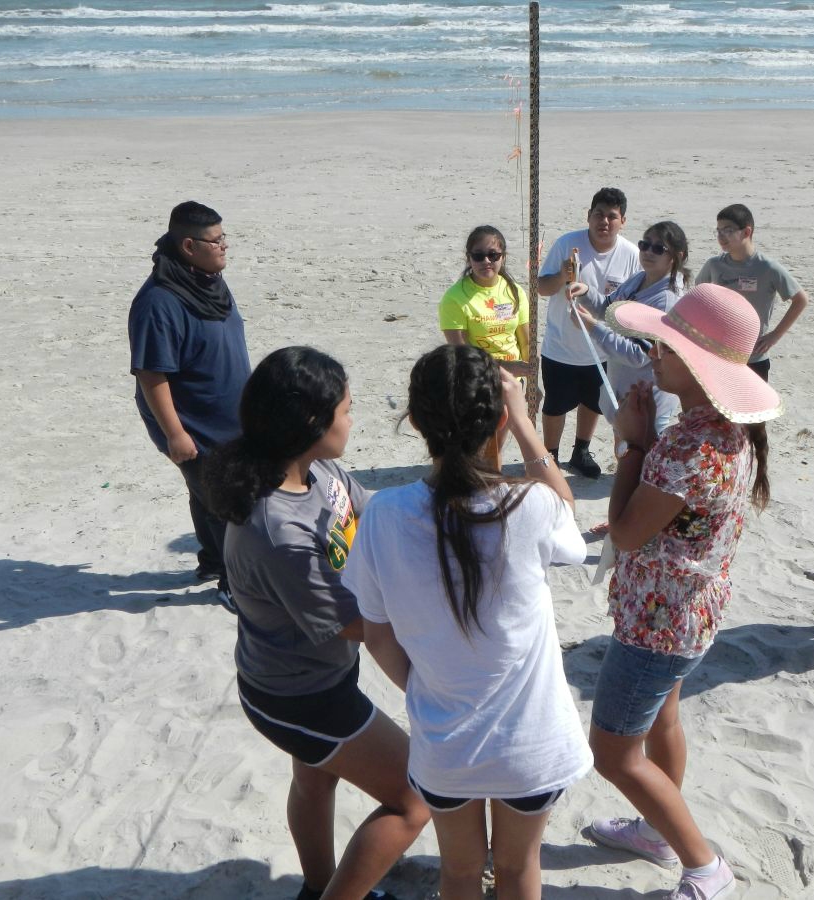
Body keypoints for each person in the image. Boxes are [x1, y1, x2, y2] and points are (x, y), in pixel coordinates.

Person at [344, 345, 592, 900]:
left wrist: (424, 685)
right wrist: (526, 425)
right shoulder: (530, 506)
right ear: (499, 418)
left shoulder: (383, 513)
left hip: (445, 742)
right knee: (518, 868)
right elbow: (568, 520)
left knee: (457, 872)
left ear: (415, 421)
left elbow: (377, 634)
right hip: (531, 743)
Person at [202, 347, 428, 900]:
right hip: (298, 696)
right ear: (311, 423)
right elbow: (356, 622)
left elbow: (367, 508)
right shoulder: (277, 529)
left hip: (309, 678)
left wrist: (440, 508)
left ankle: (318, 884)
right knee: (414, 799)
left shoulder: (316, 470)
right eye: (347, 409)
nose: (353, 418)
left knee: (315, 775)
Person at [585, 284, 782, 900]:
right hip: (689, 612)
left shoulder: (688, 445)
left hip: (658, 621)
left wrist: (632, 444)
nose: (652, 357)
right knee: (662, 719)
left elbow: (625, 531)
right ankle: (657, 833)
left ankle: (703, 864)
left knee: (613, 753)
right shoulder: (727, 431)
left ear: (696, 366)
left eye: (663, 348)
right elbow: (662, 521)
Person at [128, 201, 251, 610]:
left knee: (204, 495)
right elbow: (151, 374)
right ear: (188, 245)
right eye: (216, 241)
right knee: (226, 503)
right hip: (193, 424)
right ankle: (234, 583)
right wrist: (175, 434)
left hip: (228, 417)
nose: (225, 246)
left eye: (224, 238)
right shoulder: (159, 302)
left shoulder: (208, 279)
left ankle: (212, 561)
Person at [538, 187, 642, 477]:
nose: (604, 222)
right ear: (589, 216)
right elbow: (541, 288)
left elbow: (631, 305)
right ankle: (551, 456)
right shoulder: (567, 243)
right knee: (556, 406)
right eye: (598, 214)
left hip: (603, 347)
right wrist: (562, 275)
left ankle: (581, 451)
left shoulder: (631, 254)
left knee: (593, 402)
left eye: (612, 216)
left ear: (623, 221)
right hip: (561, 346)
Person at [568, 220, 690, 436]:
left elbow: (639, 354)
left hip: (647, 400)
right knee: (622, 447)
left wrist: (593, 328)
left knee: (640, 457)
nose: (648, 252)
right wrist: (586, 291)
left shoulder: (667, 300)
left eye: (658, 248)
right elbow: (609, 308)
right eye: (644, 244)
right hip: (625, 392)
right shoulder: (640, 278)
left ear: (676, 257)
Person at [698, 203, 809, 382]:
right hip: (719, 355)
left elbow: (801, 300)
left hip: (754, 358)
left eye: (727, 230)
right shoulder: (714, 265)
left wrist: (774, 336)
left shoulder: (767, 267)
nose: (720, 236)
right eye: (718, 231)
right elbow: (698, 299)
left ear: (747, 232)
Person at [439, 225, 530, 365]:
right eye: (478, 256)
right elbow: (462, 356)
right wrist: (505, 368)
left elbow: (526, 344)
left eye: (493, 255)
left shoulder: (515, 291)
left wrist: (528, 373)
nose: (486, 261)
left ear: (503, 257)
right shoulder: (454, 298)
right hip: (478, 378)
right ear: (469, 259)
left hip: (516, 377)